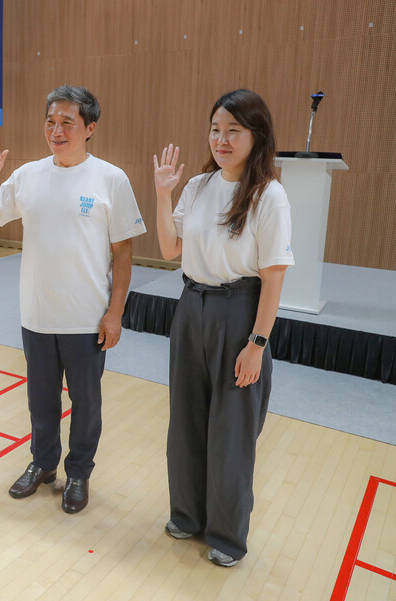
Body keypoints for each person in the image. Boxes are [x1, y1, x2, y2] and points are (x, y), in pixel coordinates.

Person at [0, 85, 146, 513]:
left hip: (86, 320)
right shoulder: (28, 175)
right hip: (37, 314)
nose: (57, 129)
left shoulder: (111, 179)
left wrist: (115, 313)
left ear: (90, 128)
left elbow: (123, 252)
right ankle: (43, 464)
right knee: (40, 400)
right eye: (50, 121)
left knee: (86, 404)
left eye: (67, 122)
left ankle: (80, 472)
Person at [153, 89, 294, 567]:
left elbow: (274, 277)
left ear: (257, 136)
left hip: (239, 312)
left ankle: (227, 537)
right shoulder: (196, 186)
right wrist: (163, 191)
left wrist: (257, 343)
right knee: (186, 420)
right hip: (191, 306)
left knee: (231, 431)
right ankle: (187, 516)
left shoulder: (269, 196)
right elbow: (170, 249)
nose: (222, 139)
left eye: (234, 130)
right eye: (216, 129)